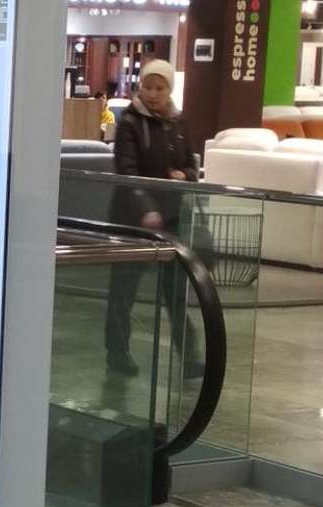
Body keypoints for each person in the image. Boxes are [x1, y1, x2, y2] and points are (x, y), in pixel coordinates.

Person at [104, 59, 202, 378]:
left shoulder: (179, 123)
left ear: (169, 89)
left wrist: (184, 175)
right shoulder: (130, 122)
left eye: (160, 88)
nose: (153, 94)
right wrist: (146, 208)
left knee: (175, 291)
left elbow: (191, 165)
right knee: (124, 289)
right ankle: (117, 352)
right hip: (131, 219)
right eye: (148, 87)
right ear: (140, 87)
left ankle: (189, 356)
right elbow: (127, 170)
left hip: (171, 218)